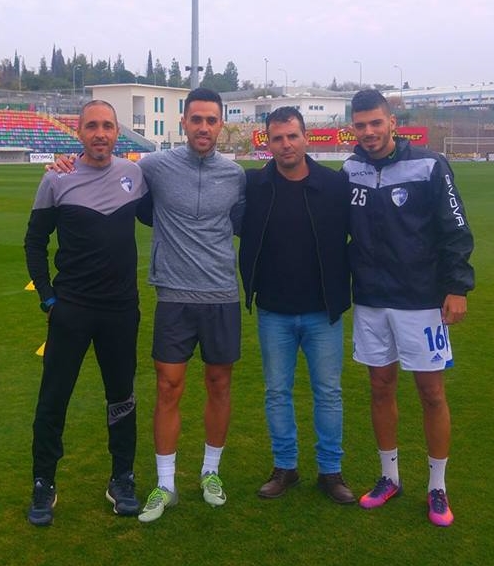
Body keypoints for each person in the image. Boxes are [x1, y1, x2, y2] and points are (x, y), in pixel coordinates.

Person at [342, 89, 474, 526]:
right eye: (361, 125)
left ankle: (437, 486)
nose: (368, 132)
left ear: (392, 123)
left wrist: (457, 286)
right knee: (380, 387)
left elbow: (456, 229)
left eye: (375, 123)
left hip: (420, 301)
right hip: (371, 300)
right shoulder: (350, 170)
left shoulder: (430, 165)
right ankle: (390, 477)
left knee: (431, 393)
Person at [24, 100, 148, 526]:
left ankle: (122, 478)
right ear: (79, 132)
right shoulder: (56, 178)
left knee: (122, 397)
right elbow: (35, 242)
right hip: (72, 310)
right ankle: (43, 482)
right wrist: (48, 298)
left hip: (120, 311)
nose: (100, 133)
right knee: (53, 399)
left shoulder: (135, 175)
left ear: (117, 132)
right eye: (92, 126)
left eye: (107, 126)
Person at [136, 88, 246, 522]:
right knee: (168, 388)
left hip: (221, 296)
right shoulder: (154, 167)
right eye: (196, 119)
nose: (203, 127)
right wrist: (65, 166)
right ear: (183, 122)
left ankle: (210, 472)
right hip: (174, 296)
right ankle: (165, 484)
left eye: (211, 120)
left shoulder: (236, 175)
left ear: (221, 125)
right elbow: (112, 177)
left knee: (219, 385)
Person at [239, 107, 355, 504]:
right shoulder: (254, 185)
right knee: (277, 392)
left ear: (306, 138)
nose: (286, 144)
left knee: (329, 393)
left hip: (323, 311)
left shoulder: (334, 185)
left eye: (292, 136)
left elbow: (360, 236)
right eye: (278, 138)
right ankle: (285, 467)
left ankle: (330, 471)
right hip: (274, 311)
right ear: (267, 142)